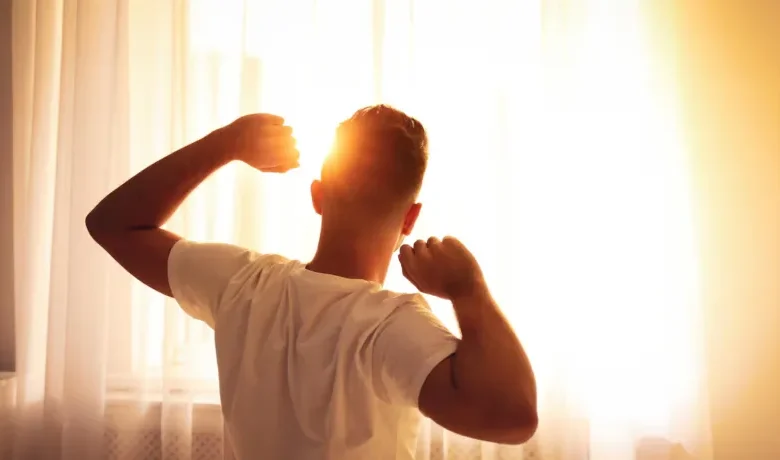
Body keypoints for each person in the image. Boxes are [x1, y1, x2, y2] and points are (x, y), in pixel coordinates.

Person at [86, 105, 538, 459]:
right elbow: (515, 417)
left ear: (318, 196)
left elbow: (111, 223)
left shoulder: (243, 283)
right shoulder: (391, 327)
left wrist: (226, 143)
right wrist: (468, 290)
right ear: (411, 218)